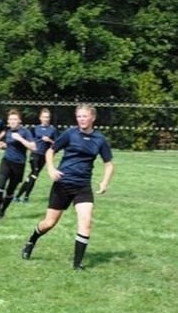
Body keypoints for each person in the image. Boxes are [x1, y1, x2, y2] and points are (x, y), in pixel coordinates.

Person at [21, 103, 114, 270]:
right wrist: (50, 168)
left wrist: (104, 182)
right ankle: (31, 241)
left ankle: (77, 265)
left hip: (82, 186)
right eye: (79, 116)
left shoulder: (100, 139)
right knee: (49, 223)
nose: (81, 119)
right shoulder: (70, 134)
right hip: (63, 184)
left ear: (92, 118)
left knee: (86, 222)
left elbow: (109, 164)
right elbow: (51, 151)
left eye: (84, 116)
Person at [0, 109, 36, 221]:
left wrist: (20, 139)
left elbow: (33, 147)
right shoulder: (8, 131)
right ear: (8, 121)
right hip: (6, 162)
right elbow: (9, 146)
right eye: (11, 119)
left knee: (10, 192)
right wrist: (2, 145)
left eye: (15, 119)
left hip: (19, 165)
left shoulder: (25, 132)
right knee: (0, 188)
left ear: (19, 121)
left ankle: (2, 211)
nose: (13, 121)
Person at [15, 108, 58, 203]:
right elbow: (30, 140)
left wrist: (49, 140)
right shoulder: (35, 129)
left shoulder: (52, 130)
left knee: (32, 176)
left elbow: (57, 144)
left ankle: (18, 196)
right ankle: (25, 197)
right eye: (44, 117)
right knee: (34, 173)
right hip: (35, 154)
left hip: (44, 156)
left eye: (47, 117)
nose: (46, 119)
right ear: (40, 118)